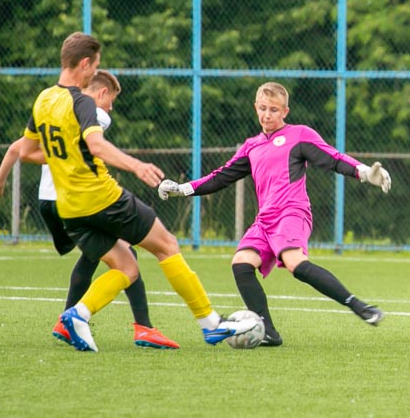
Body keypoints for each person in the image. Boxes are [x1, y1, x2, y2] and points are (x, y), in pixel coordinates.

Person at [19, 32, 257, 352]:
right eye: (96, 66)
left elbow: (27, 153)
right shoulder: (82, 102)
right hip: (102, 198)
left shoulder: (44, 99)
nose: (95, 72)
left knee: (126, 267)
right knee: (167, 245)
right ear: (85, 63)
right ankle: (210, 323)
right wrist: (136, 166)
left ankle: (78, 315)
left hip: (70, 208)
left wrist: (68, 158)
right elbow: (97, 144)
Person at [158, 81, 392, 347]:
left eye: (273, 109)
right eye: (262, 108)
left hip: (292, 212)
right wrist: (183, 189)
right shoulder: (251, 146)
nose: (267, 115)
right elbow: (220, 177)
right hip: (265, 220)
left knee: (295, 264)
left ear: (285, 112)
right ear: (256, 108)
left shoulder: (299, 135)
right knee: (241, 263)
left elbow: (333, 158)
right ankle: (267, 331)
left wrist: (364, 173)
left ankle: (359, 306)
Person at [0, 70, 179, 349]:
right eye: (111, 99)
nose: (111, 108)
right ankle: (142, 328)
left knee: (99, 254)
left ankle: (70, 323)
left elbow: (19, 147)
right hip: (73, 201)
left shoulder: (54, 108)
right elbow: (95, 147)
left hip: (49, 202)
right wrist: (134, 166)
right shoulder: (96, 115)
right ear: (100, 93)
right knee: (125, 254)